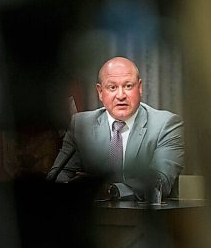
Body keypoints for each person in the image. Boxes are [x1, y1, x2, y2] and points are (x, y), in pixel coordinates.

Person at [47, 56, 184, 200]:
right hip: (92, 219)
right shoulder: (81, 124)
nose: (121, 95)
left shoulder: (166, 124)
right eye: (112, 87)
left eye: (128, 86)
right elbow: (57, 175)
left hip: (147, 218)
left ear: (140, 88)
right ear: (100, 92)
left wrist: (111, 190)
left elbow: (159, 181)